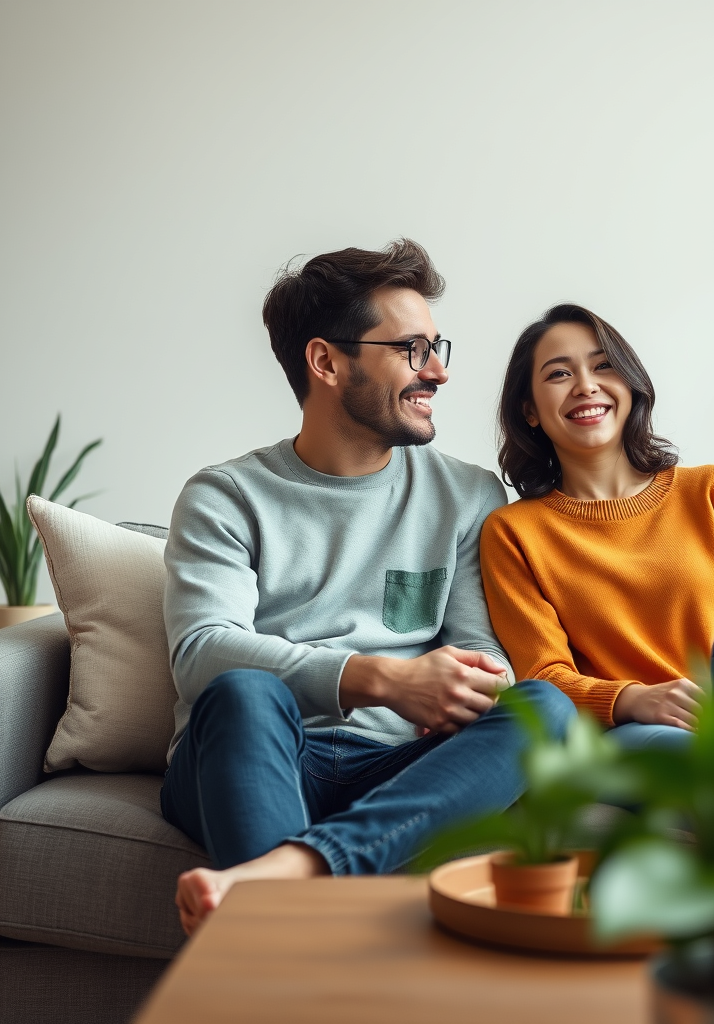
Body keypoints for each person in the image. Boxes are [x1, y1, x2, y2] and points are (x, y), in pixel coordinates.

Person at [161, 241, 574, 936]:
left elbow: (481, 648)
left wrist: (468, 685)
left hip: (396, 769)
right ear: (326, 362)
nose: (438, 371)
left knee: (544, 709)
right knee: (244, 691)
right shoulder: (225, 496)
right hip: (257, 755)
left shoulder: (469, 495)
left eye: (438, 346)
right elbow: (201, 652)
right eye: (412, 349)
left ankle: (294, 880)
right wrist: (379, 679)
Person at [479, 303, 714, 781]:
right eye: (558, 374)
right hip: (635, 734)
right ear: (529, 410)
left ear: (630, 385)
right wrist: (634, 698)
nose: (586, 385)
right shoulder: (514, 533)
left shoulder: (713, 491)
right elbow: (544, 678)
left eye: (603, 366)